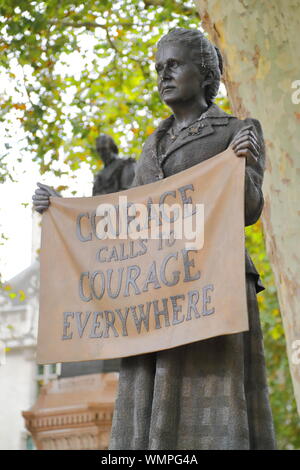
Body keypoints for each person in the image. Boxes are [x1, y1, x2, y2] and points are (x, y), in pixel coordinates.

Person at [108, 28, 276, 450]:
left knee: (212, 401)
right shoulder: (153, 143)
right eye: (158, 68)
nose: (163, 75)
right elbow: (129, 218)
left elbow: (249, 210)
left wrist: (241, 164)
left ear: (204, 74)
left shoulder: (237, 130)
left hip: (213, 286)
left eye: (174, 65)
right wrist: (61, 211)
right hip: (157, 290)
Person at [32, 134, 136, 213]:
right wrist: (58, 203)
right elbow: (92, 202)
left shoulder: (126, 164)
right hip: (99, 219)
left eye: (104, 149)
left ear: (112, 148)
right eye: (99, 150)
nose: (102, 153)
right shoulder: (99, 176)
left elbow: (129, 194)